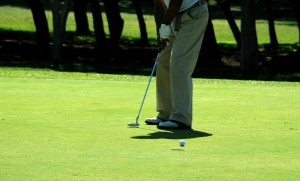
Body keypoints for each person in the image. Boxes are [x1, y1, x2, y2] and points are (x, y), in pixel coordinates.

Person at [145, 0, 209, 129]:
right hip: (173, 15)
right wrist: (160, 32)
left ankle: (181, 117)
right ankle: (165, 113)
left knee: (179, 63)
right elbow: (159, 5)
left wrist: (165, 24)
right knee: (163, 60)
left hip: (194, 14)